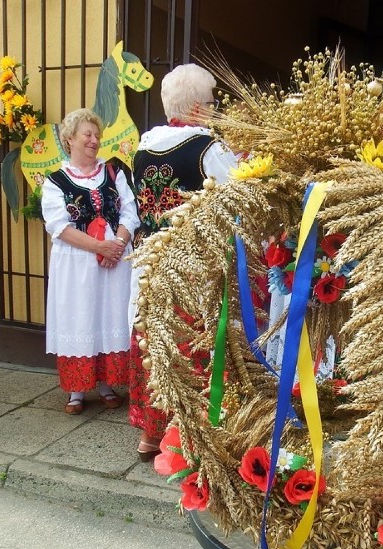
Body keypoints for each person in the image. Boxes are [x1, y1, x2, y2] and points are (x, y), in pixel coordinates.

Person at [129, 64, 238, 461]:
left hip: (149, 262)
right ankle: (189, 436)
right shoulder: (210, 150)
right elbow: (238, 200)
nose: (215, 110)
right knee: (192, 343)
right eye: (212, 102)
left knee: (154, 339)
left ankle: (150, 434)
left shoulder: (143, 149)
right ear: (196, 107)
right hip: (194, 267)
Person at [41, 108, 139, 416]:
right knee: (79, 314)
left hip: (114, 259)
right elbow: (58, 226)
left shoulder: (114, 172)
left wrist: (118, 244)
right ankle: (76, 389)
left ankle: (107, 384)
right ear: (69, 139)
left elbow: (130, 213)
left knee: (108, 314)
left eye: (97, 135)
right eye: (87, 134)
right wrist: (99, 246)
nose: (94, 140)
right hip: (76, 262)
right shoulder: (55, 180)